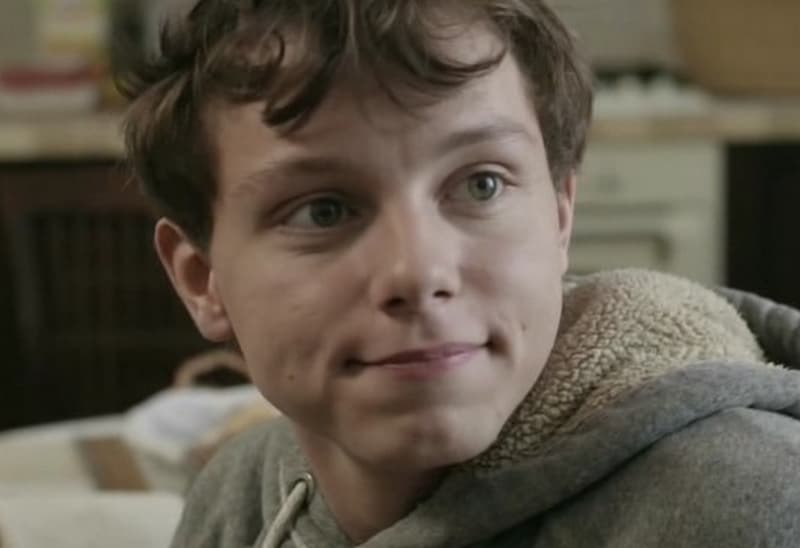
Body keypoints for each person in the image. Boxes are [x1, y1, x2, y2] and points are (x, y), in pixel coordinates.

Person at [119, 1, 800, 546]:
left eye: (481, 184)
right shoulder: (236, 499)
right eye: (323, 211)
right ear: (202, 280)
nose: (418, 272)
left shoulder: (752, 509)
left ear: (560, 215)